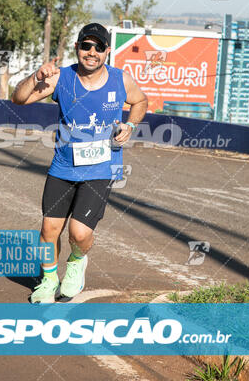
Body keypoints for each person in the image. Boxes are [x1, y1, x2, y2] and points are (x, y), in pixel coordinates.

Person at [11, 23, 148, 303]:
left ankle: (76, 261)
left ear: (107, 51)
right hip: (63, 166)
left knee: (79, 233)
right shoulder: (61, 78)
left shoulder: (120, 80)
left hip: (101, 168)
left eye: (99, 47)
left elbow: (141, 101)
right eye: (86, 45)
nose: (92, 52)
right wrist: (36, 75)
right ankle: (48, 280)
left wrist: (130, 127)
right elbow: (19, 98)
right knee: (49, 229)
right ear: (77, 48)